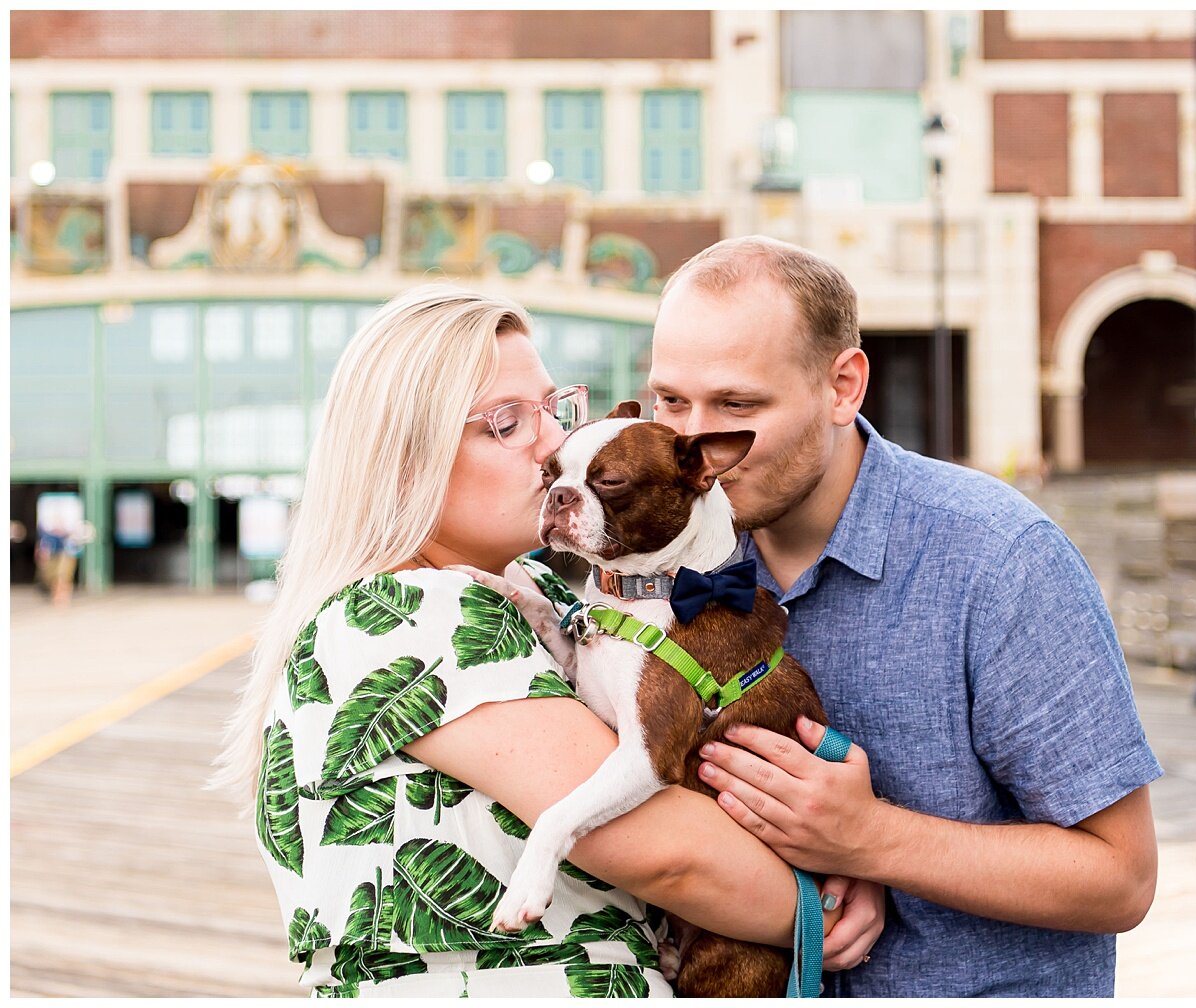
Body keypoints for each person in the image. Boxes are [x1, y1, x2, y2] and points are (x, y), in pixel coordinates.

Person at [213, 283, 880, 997]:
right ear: (407, 460)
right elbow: (675, 857)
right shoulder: (413, 611)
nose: (552, 442)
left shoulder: (554, 598)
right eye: (505, 421)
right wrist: (831, 900)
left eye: (554, 408)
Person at [646, 236, 1164, 998]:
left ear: (843, 387)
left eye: (737, 405)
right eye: (669, 400)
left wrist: (871, 839)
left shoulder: (1001, 559)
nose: (696, 445)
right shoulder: (658, 556)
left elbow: (1122, 878)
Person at [35, 521, 81, 606]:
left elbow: (74, 548)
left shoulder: (67, 536)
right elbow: (43, 546)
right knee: (56, 578)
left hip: (65, 555)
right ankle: (59, 596)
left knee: (63, 577)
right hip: (55, 556)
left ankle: (63, 596)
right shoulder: (49, 535)